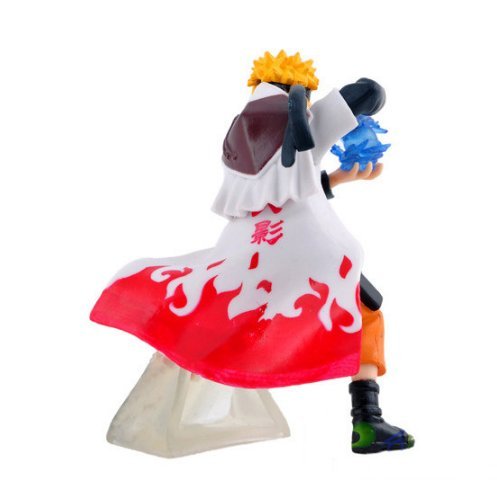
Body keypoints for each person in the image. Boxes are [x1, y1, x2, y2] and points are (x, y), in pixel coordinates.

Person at [91, 50, 413, 454]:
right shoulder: (300, 121)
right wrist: (341, 114)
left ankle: (180, 381)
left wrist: (335, 179)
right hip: (311, 256)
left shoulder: (238, 142)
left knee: (228, 314)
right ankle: (367, 420)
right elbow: (368, 93)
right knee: (366, 315)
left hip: (249, 257)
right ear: (298, 91)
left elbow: (279, 194)